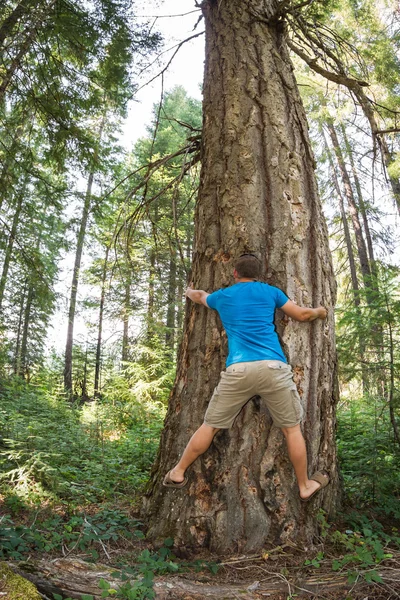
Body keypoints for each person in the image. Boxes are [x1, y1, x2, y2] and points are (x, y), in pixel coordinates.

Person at [163, 254, 329, 501]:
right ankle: (304, 485)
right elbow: (302, 315)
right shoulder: (270, 292)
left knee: (210, 426)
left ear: (234, 273)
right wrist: (321, 311)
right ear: (258, 274)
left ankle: (177, 471)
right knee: (292, 430)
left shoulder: (224, 296)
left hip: (238, 369)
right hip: (273, 367)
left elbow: (200, 296)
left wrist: (189, 291)